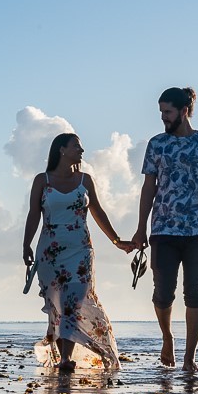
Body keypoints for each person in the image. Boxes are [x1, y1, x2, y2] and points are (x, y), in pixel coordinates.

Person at [131, 86, 198, 372]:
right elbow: (149, 187)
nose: (163, 117)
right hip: (163, 229)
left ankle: (190, 357)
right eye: (161, 112)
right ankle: (167, 338)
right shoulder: (157, 144)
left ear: (184, 111)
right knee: (163, 293)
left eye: (167, 112)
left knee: (195, 293)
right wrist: (140, 228)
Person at [23, 133, 132, 372]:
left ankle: (66, 359)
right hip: (50, 253)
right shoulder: (42, 180)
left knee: (75, 301)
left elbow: (98, 212)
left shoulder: (85, 180)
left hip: (80, 251)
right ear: (62, 150)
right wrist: (26, 245)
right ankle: (64, 359)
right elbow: (33, 214)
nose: (81, 151)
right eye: (77, 147)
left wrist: (116, 240)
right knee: (59, 305)